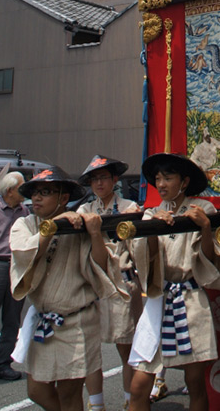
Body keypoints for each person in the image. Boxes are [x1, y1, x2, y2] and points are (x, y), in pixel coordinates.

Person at [128, 152, 220, 411]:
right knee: (138, 386)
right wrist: (153, 230)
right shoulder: (151, 214)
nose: (162, 184)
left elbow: (211, 261)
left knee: (195, 381)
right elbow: (140, 260)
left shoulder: (203, 210)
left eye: (168, 177)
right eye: (158, 178)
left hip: (190, 299)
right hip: (160, 299)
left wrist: (205, 228)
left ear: (184, 182)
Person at [9, 166, 127, 411]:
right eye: (35, 193)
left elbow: (102, 266)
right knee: (36, 389)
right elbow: (24, 254)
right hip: (44, 321)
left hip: (76, 323)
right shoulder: (25, 224)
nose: (37, 198)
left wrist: (94, 234)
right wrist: (54, 224)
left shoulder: (80, 226)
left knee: (70, 394)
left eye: (46, 192)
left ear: (63, 198)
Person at [77, 155, 143, 411]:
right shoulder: (85, 210)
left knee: (126, 347)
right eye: (94, 179)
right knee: (89, 349)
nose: (99, 183)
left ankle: (130, 399)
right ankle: (96, 404)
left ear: (115, 179)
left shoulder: (128, 207)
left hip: (122, 283)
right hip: (93, 284)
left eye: (104, 177)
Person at [0, 168, 29, 381]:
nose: (25, 191)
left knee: (12, 317)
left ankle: (2, 363)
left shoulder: (25, 212)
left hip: (17, 266)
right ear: (9, 191)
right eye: (21, 188)